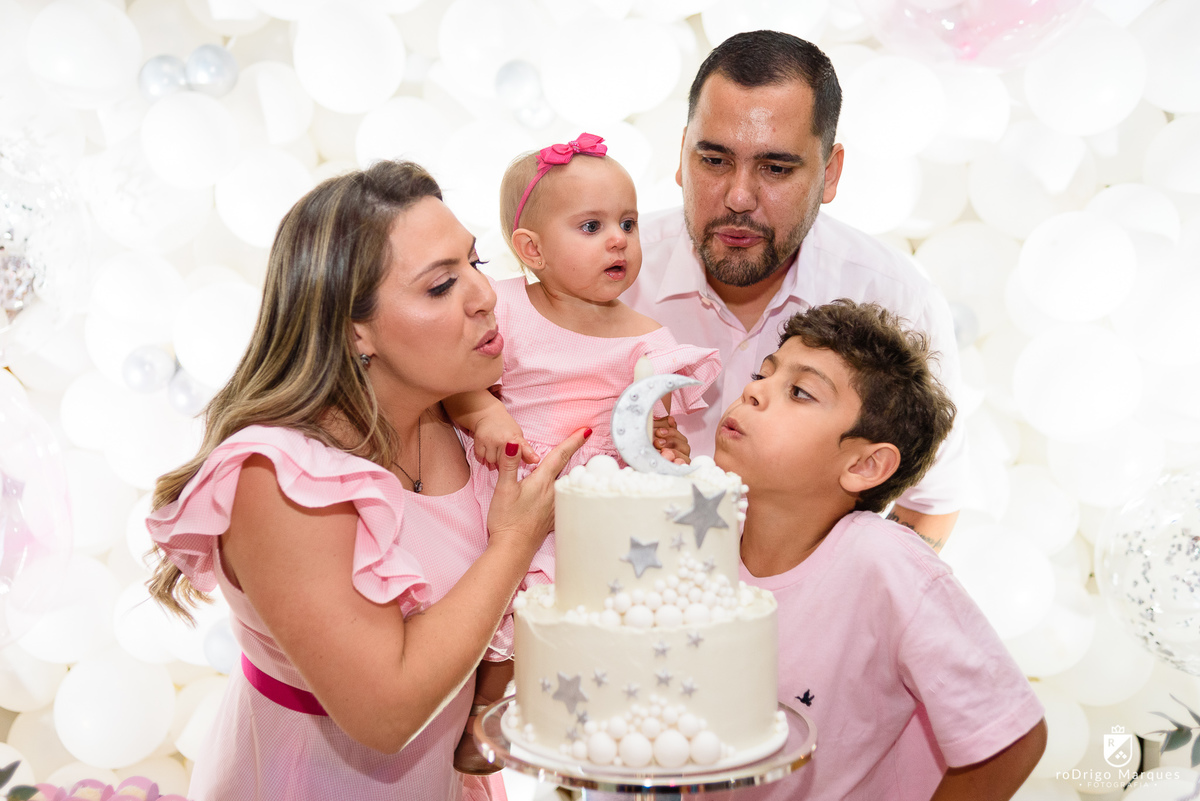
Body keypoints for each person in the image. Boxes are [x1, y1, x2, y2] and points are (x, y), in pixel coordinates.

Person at [144, 161, 587, 801]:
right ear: (355, 330)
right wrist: (515, 540)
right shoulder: (280, 479)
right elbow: (386, 713)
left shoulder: (463, 415)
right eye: (441, 286)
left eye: (476, 263)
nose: (484, 296)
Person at [442, 133, 721, 771]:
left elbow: (652, 425)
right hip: (510, 485)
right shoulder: (504, 308)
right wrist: (483, 411)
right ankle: (473, 708)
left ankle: (541, 713)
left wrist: (669, 444)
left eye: (628, 223)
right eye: (592, 227)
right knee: (491, 605)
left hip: (591, 504)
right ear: (531, 249)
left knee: (568, 619)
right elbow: (454, 379)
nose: (618, 240)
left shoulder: (648, 338)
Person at [627, 29, 965, 551]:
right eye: (714, 160)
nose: (739, 197)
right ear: (681, 154)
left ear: (830, 173)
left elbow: (929, 503)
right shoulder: (606, 275)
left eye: (776, 168)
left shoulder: (898, 299)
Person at [710, 300, 1046, 801]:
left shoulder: (883, 561)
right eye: (763, 374)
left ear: (865, 466)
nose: (753, 391)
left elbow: (1013, 737)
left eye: (799, 392)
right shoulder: (704, 539)